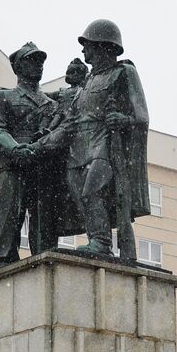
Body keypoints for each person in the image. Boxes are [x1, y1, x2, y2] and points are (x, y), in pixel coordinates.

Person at [37, 19, 149, 263]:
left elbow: (141, 115)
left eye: (87, 44)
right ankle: (98, 239)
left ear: (102, 46)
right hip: (77, 147)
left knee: (92, 191)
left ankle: (101, 242)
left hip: (104, 144)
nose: (83, 50)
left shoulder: (124, 72)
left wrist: (123, 118)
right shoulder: (85, 82)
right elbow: (72, 117)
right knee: (79, 196)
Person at [0, 42, 65, 267]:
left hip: (43, 165)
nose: (38, 65)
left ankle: (43, 256)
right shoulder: (3, 97)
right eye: (32, 61)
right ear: (18, 67)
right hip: (14, 164)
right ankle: (4, 257)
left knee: (43, 217)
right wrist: (15, 149)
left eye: (41, 61)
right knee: (10, 211)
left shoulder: (51, 104)